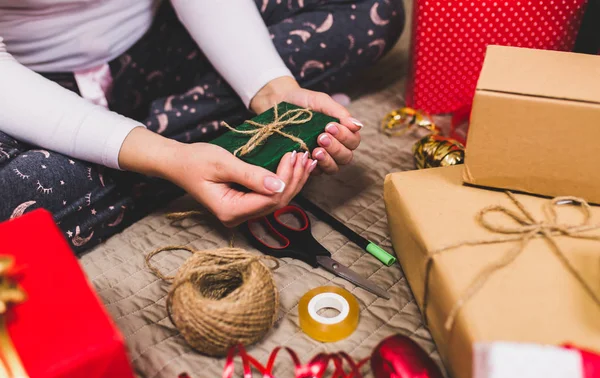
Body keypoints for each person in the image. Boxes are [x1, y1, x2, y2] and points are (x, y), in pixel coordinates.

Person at [0, 0, 404, 252]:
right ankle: (188, 152)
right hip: (34, 82)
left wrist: (270, 88)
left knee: (371, 9)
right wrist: (167, 157)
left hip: (165, 41)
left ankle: (183, 154)